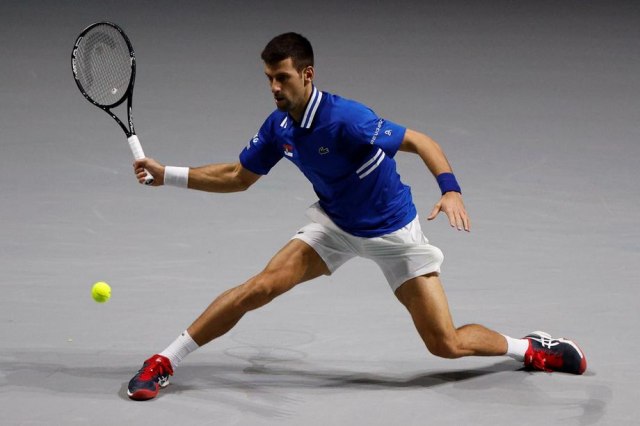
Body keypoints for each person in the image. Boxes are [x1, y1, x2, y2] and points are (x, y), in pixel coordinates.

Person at [126, 32, 587, 401]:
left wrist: (450, 190)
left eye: (282, 77)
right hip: (335, 228)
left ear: (307, 74)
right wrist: (168, 175)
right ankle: (165, 360)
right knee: (259, 287)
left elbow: (421, 141)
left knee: (445, 344)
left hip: (394, 233)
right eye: (268, 78)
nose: (274, 88)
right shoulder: (279, 126)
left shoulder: (348, 119)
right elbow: (238, 175)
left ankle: (530, 348)